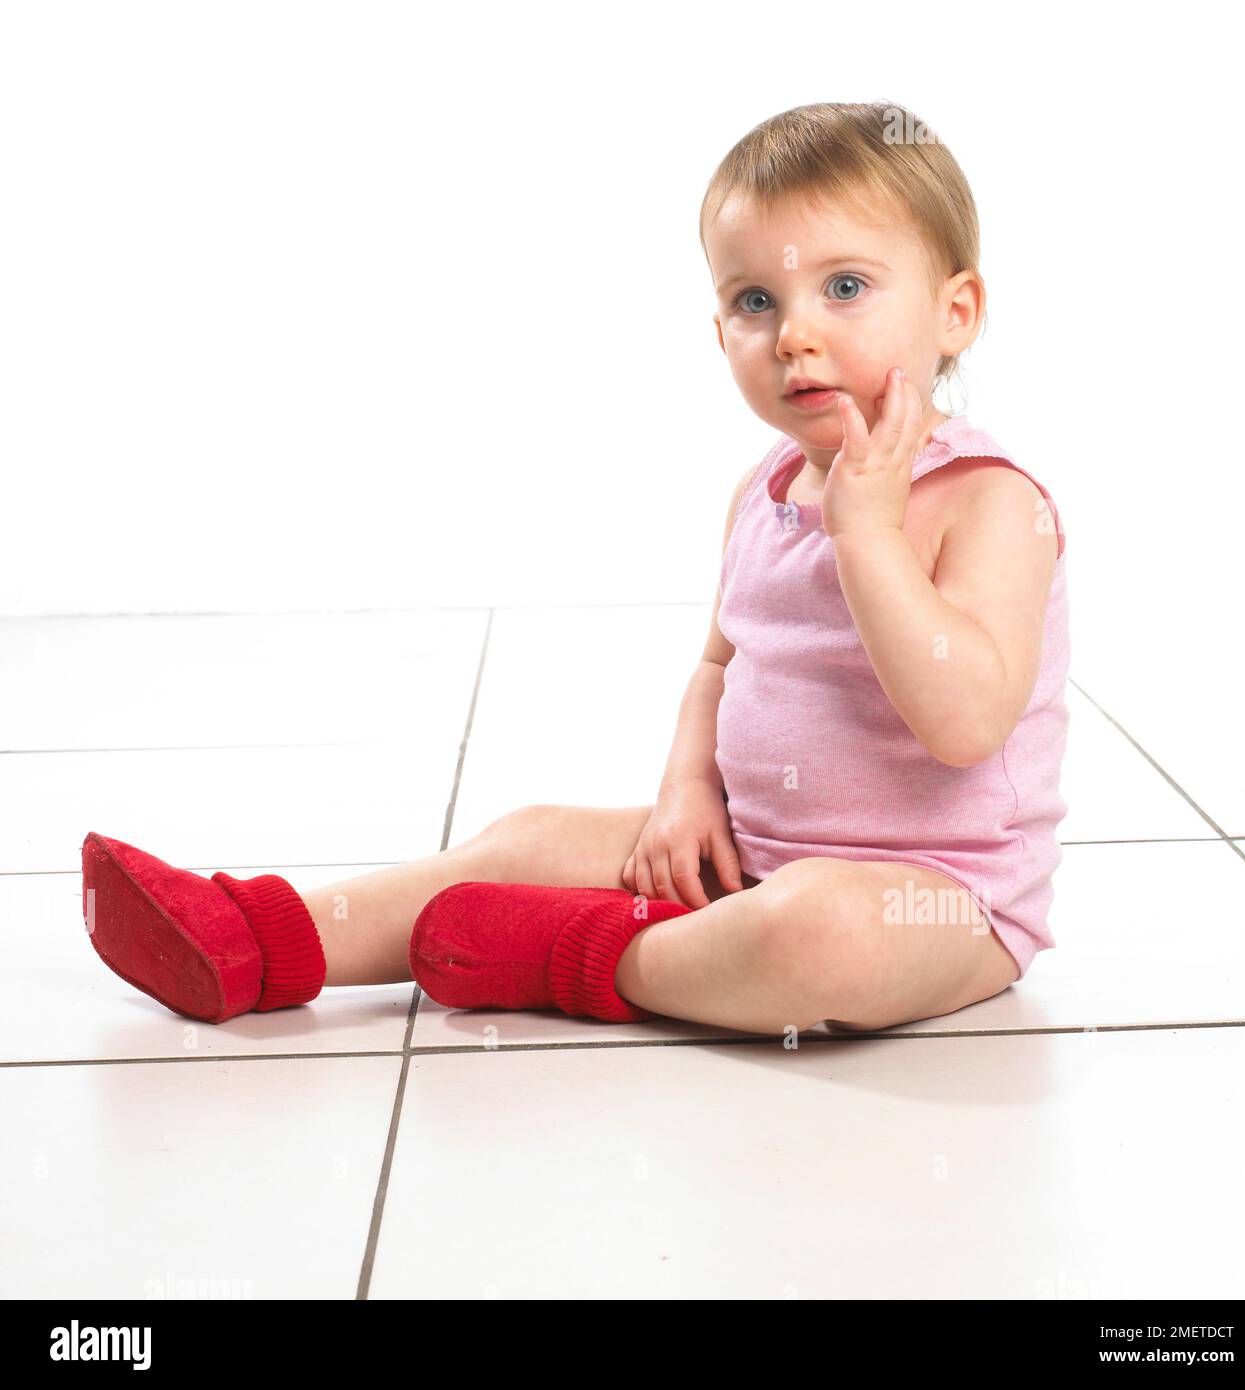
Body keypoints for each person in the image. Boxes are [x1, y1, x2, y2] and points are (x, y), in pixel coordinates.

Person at [80, 100, 1068, 1039]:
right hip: (754, 853)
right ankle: (258, 936)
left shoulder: (990, 503)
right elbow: (720, 669)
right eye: (755, 301)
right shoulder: (763, 491)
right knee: (530, 837)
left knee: (819, 933)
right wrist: (689, 791)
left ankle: (578, 955)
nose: (796, 333)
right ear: (719, 329)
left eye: (844, 288)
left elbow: (966, 723)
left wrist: (869, 537)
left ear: (956, 310)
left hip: (937, 904)